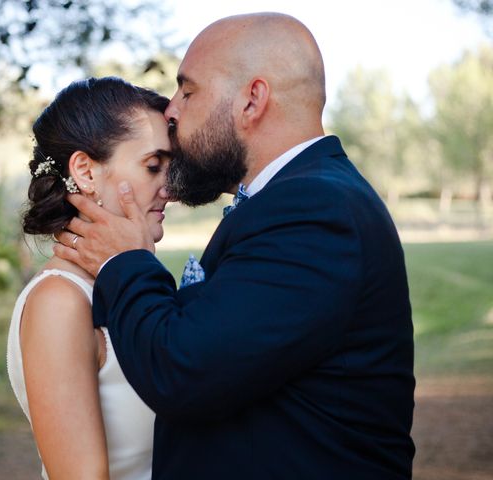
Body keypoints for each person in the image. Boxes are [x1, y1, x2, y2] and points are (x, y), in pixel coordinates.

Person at [55, 12, 416, 480]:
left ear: (252, 100)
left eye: (188, 91)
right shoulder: (294, 199)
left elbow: (184, 371)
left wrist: (126, 261)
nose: (171, 110)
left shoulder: (316, 208)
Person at [6, 76, 171, 479]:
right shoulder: (60, 302)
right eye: (153, 166)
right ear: (86, 171)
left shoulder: (132, 282)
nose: (170, 188)